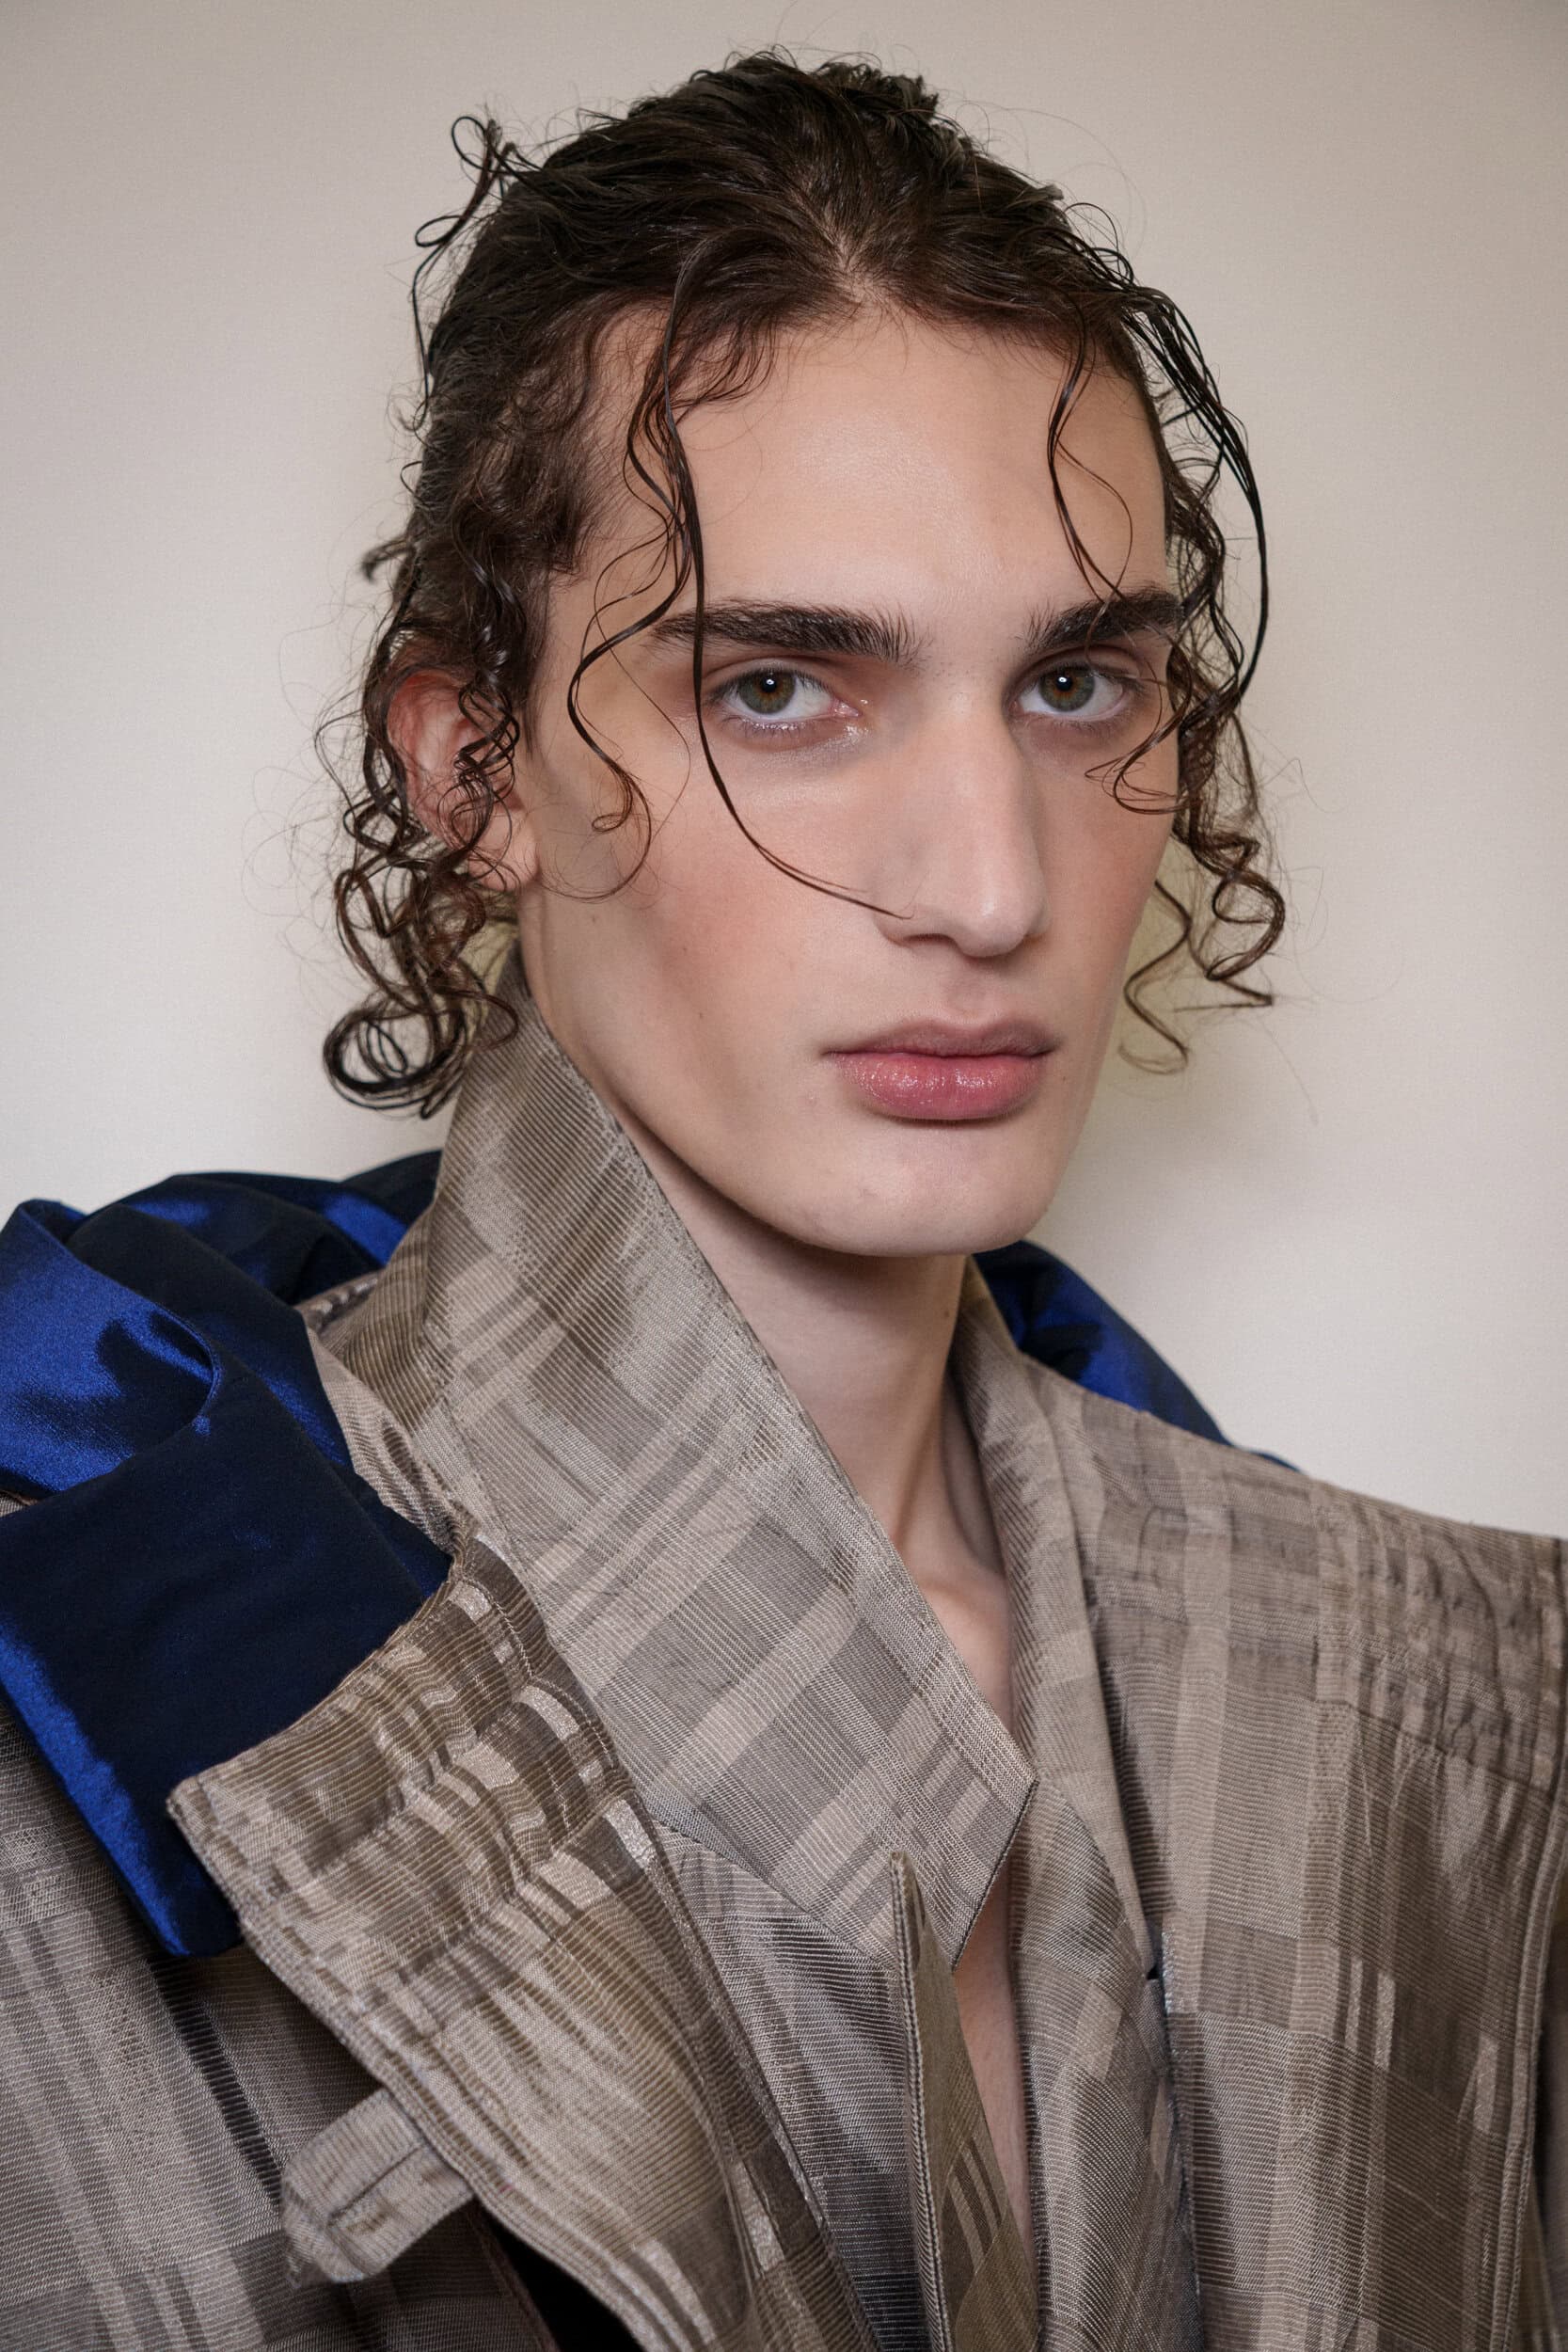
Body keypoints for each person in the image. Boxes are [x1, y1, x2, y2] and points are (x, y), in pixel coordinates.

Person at [0, 47, 1561, 2352]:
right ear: (472, 766)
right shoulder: (81, 1692)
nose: (994, 883)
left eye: (1076, 681)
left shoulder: (1464, 1701)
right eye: (782, 687)